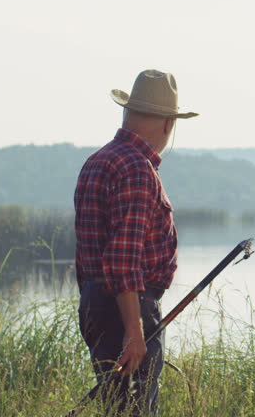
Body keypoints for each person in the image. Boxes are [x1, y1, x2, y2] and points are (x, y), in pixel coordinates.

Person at [73, 69, 197, 416]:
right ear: (169, 125)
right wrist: (134, 327)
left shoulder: (96, 161)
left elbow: (89, 257)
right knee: (138, 411)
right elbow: (123, 260)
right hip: (129, 308)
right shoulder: (137, 170)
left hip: (97, 302)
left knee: (116, 409)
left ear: (127, 113)